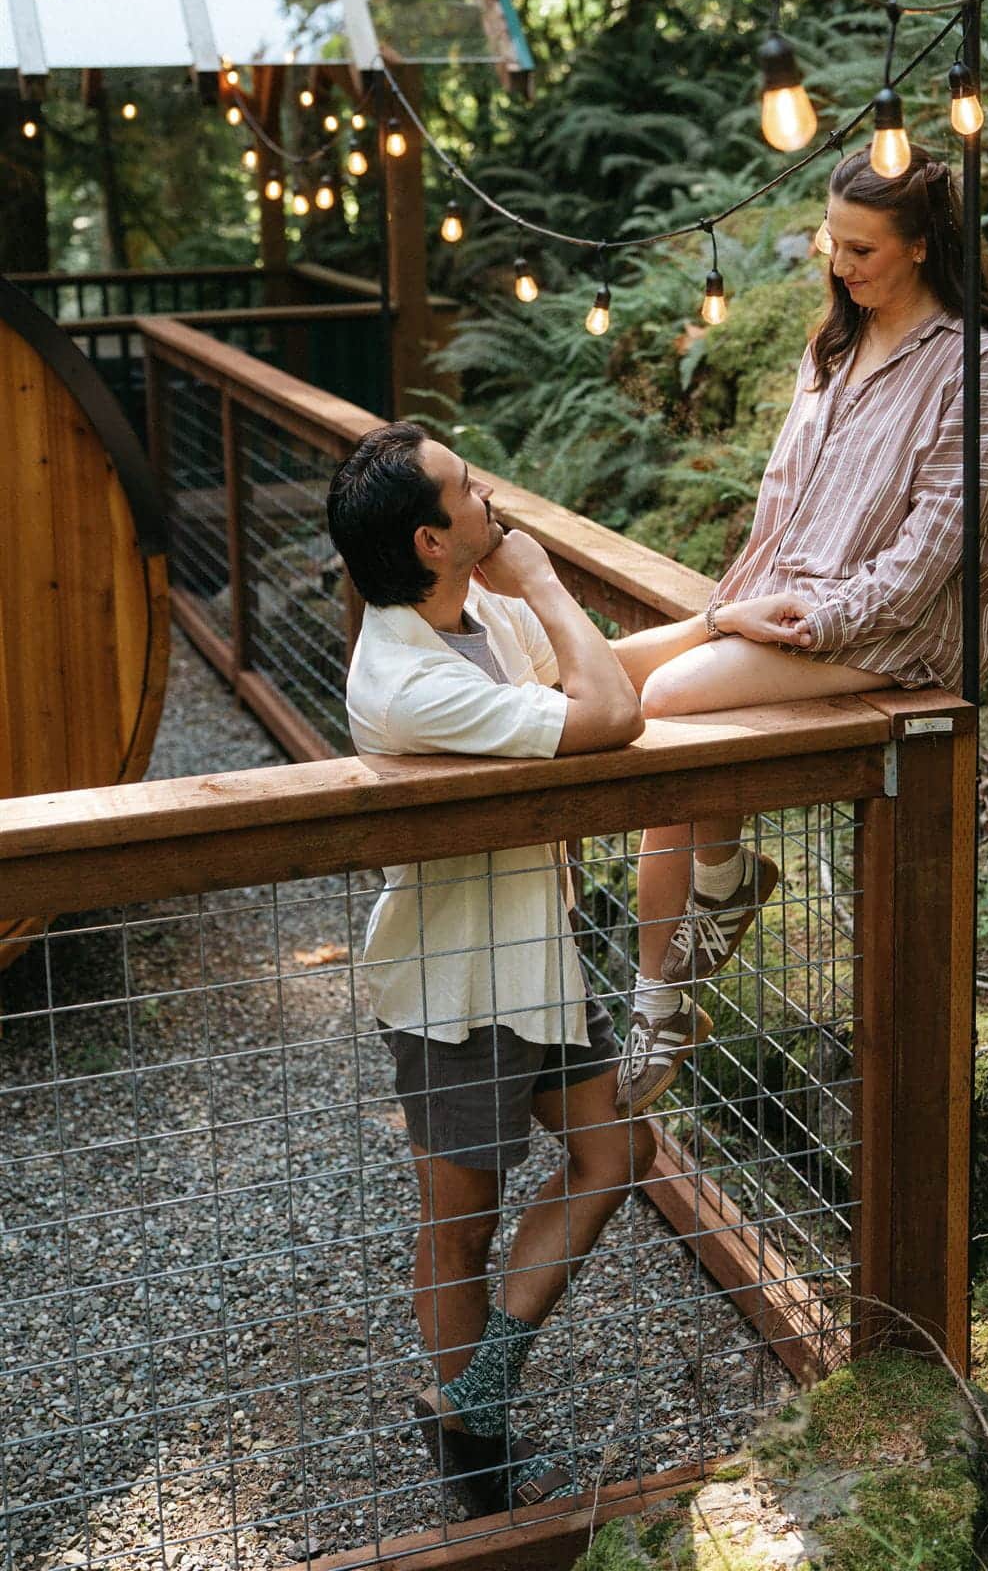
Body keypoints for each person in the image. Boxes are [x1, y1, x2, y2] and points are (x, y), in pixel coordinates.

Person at [610, 148, 988, 1113]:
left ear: (924, 249)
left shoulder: (975, 369)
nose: (839, 266)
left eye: (862, 249)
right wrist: (746, 604)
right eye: (830, 242)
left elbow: (938, 549)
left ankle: (695, 933)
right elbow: (781, 502)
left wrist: (812, 622)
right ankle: (673, 973)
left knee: (666, 698)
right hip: (799, 604)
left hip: (904, 633)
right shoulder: (832, 347)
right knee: (628, 694)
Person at [326, 422, 652, 1518]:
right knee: (459, 1220)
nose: (488, 494)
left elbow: (597, 674)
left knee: (614, 1150)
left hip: (537, 955)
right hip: (455, 982)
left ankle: (476, 1390)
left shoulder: (471, 615)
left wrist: (728, 622)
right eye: (468, 488)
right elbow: (608, 714)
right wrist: (547, 574)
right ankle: (476, 1452)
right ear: (434, 539)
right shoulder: (406, 678)